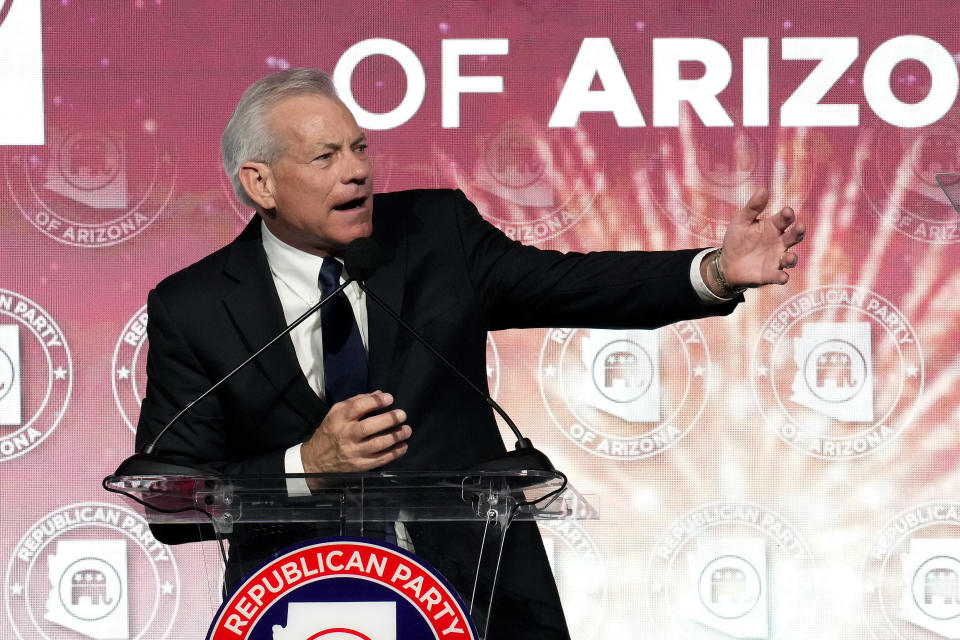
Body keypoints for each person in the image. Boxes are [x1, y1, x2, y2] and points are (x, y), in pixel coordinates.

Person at [135, 68, 804, 639]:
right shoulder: (192, 306)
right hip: (303, 609)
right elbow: (172, 500)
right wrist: (306, 466)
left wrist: (713, 271)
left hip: (482, 600)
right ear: (261, 183)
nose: (358, 169)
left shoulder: (434, 234)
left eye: (360, 148)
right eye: (326, 156)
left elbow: (570, 286)